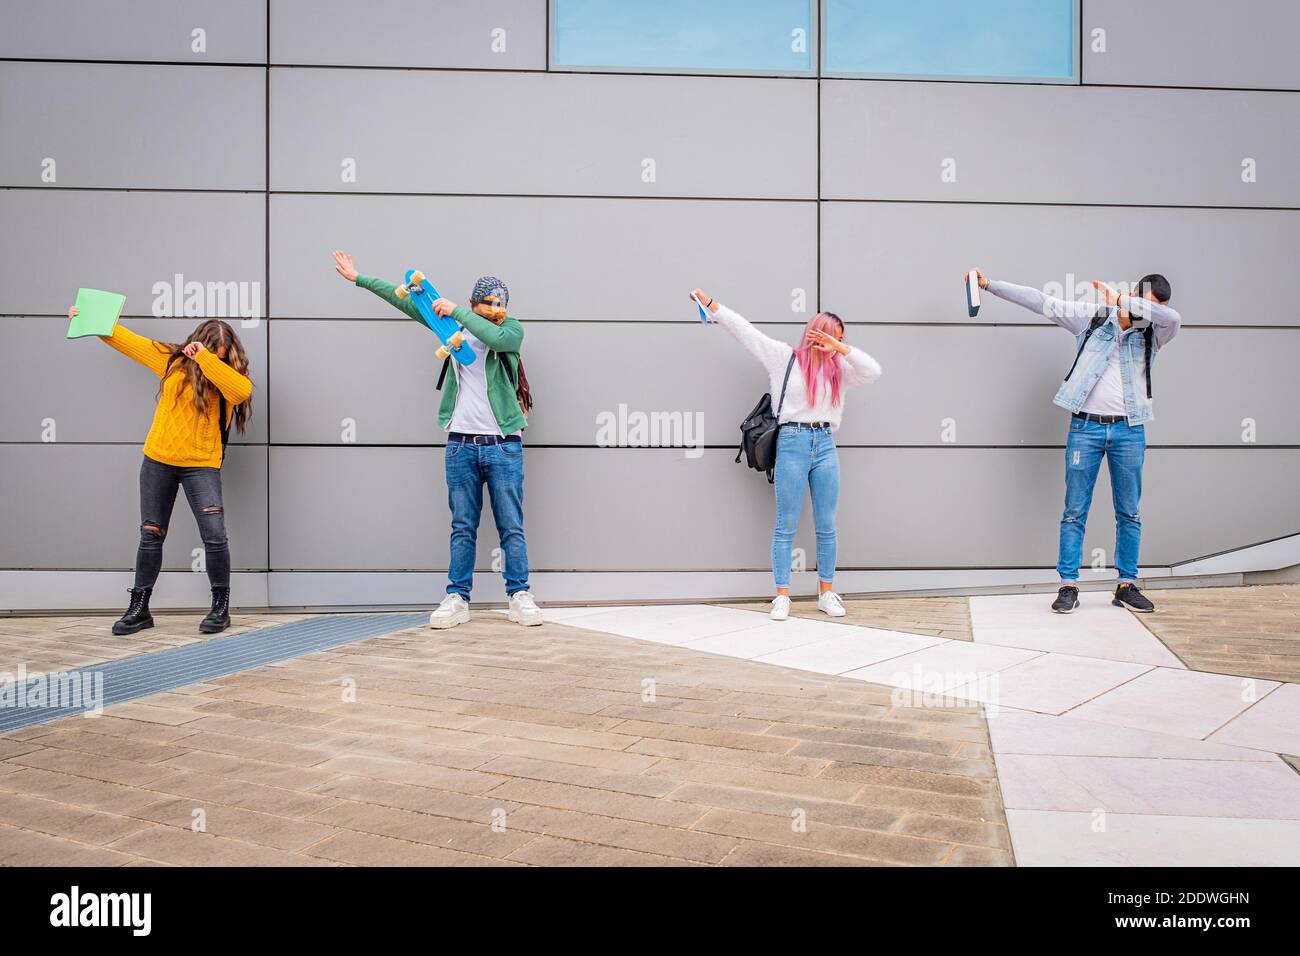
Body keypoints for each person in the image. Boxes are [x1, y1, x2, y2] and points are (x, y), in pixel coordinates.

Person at [333, 251, 541, 628]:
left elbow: (494, 336)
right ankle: (457, 597)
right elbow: (410, 302)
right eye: (488, 302)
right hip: (461, 444)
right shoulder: (450, 330)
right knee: (463, 525)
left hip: (503, 445)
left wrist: (459, 312)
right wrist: (359, 278)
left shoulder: (511, 332)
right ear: (475, 300)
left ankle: (519, 594)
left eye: (500, 303)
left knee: (511, 523)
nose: (495, 308)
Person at [967, 268, 1181, 614]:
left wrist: (1126, 302)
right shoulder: (1092, 320)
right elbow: (1041, 301)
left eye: (1151, 308)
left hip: (1130, 431)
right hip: (1086, 429)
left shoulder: (1154, 334)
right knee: (1074, 511)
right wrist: (990, 286)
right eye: (1145, 304)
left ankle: (1126, 584)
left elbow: (1173, 317)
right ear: (1134, 294)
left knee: (1129, 512)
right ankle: (1068, 584)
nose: (1147, 313)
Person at [692, 289, 882, 621]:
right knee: (785, 525)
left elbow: (873, 371)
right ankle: (782, 595)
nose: (828, 343)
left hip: (825, 443)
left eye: (836, 338)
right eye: (825, 336)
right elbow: (746, 333)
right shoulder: (785, 357)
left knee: (826, 525)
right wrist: (713, 307)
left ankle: (826, 592)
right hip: (792, 442)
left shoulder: (840, 371)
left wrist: (841, 350)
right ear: (812, 332)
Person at [68, 307, 253, 635]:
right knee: (150, 534)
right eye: (214, 352)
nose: (219, 359)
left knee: (214, 536)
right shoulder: (171, 361)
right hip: (158, 461)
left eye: (223, 356)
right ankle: (139, 609)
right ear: (198, 341)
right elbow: (127, 341)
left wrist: (207, 360)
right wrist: (88, 318)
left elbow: (241, 392)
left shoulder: (226, 377)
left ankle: (220, 609)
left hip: (202, 465)